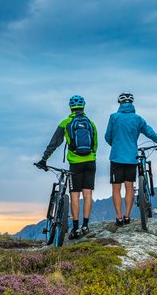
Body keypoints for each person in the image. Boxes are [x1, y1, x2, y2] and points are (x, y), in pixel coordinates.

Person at [36, 95, 98, 239]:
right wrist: (91, 155)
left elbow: (54, 143)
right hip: (90, 162)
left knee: (75, 194)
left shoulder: (66, 123)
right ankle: (85, 226)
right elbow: (95, 145)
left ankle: (75, 228)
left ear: (70, 107)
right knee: (88, 193)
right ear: (84, 107)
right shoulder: (91, 123)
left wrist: (44, 159)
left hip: (75, 164)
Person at [105, 92, 157, 226]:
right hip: (132, 157)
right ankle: (127, 215)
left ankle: (119, 218)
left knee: (116, 189)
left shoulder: (114, 117)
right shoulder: (138, 119)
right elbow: (150, 132)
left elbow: (107, 137)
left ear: (120, 104)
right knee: (129, 187)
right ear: (132, 104)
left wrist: (115, 145)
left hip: (116, 157)